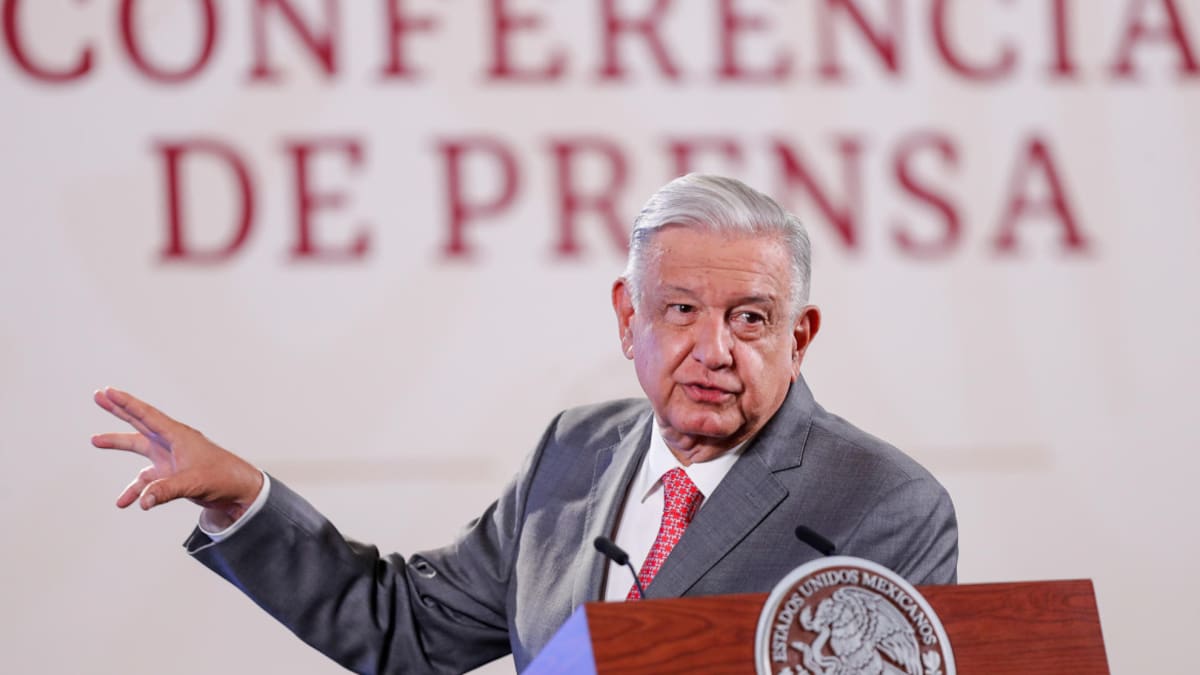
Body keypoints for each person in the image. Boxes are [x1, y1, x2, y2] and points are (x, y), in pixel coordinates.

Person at [93, 174, 957, 674]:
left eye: (751, 319)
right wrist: (241, 499)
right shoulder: (575, 452)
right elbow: (407, 628)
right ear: (628, 319)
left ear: (800, 337)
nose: (713, 349)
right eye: (681, 308)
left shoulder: (883, 502)